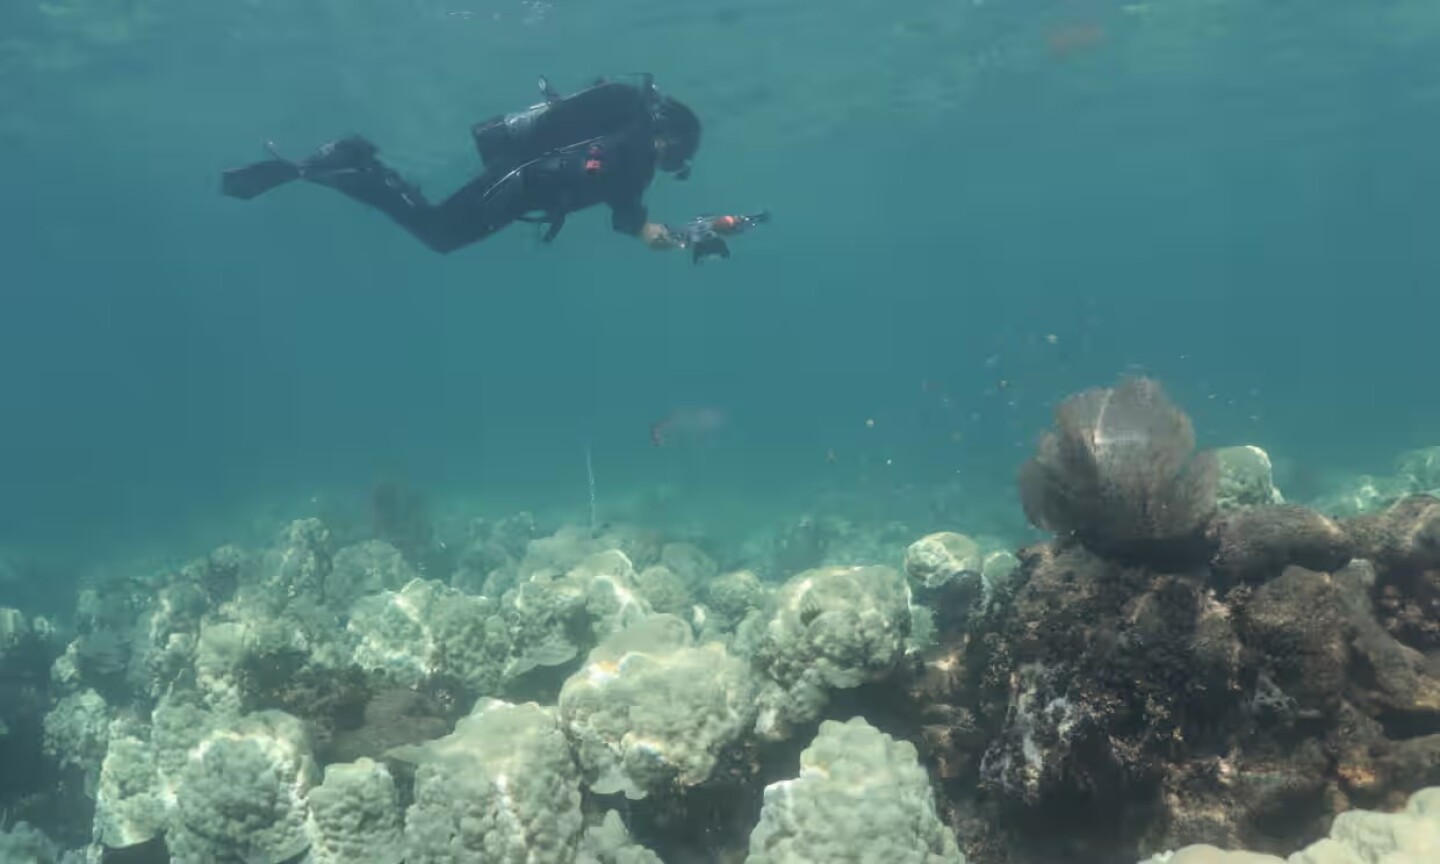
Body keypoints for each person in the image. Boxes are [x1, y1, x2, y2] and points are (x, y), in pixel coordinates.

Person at [219, 74, 701, 255]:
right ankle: (349, 162)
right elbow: (626, 187)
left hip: (517, 175)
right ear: (670, 135)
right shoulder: (638, 141)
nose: (668, 163)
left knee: (436, 228)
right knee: (439, 232)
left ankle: (355, 164)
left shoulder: (623, 115)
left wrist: (636, 222)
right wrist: (643, 229)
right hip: (517, 182)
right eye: (676, 155)